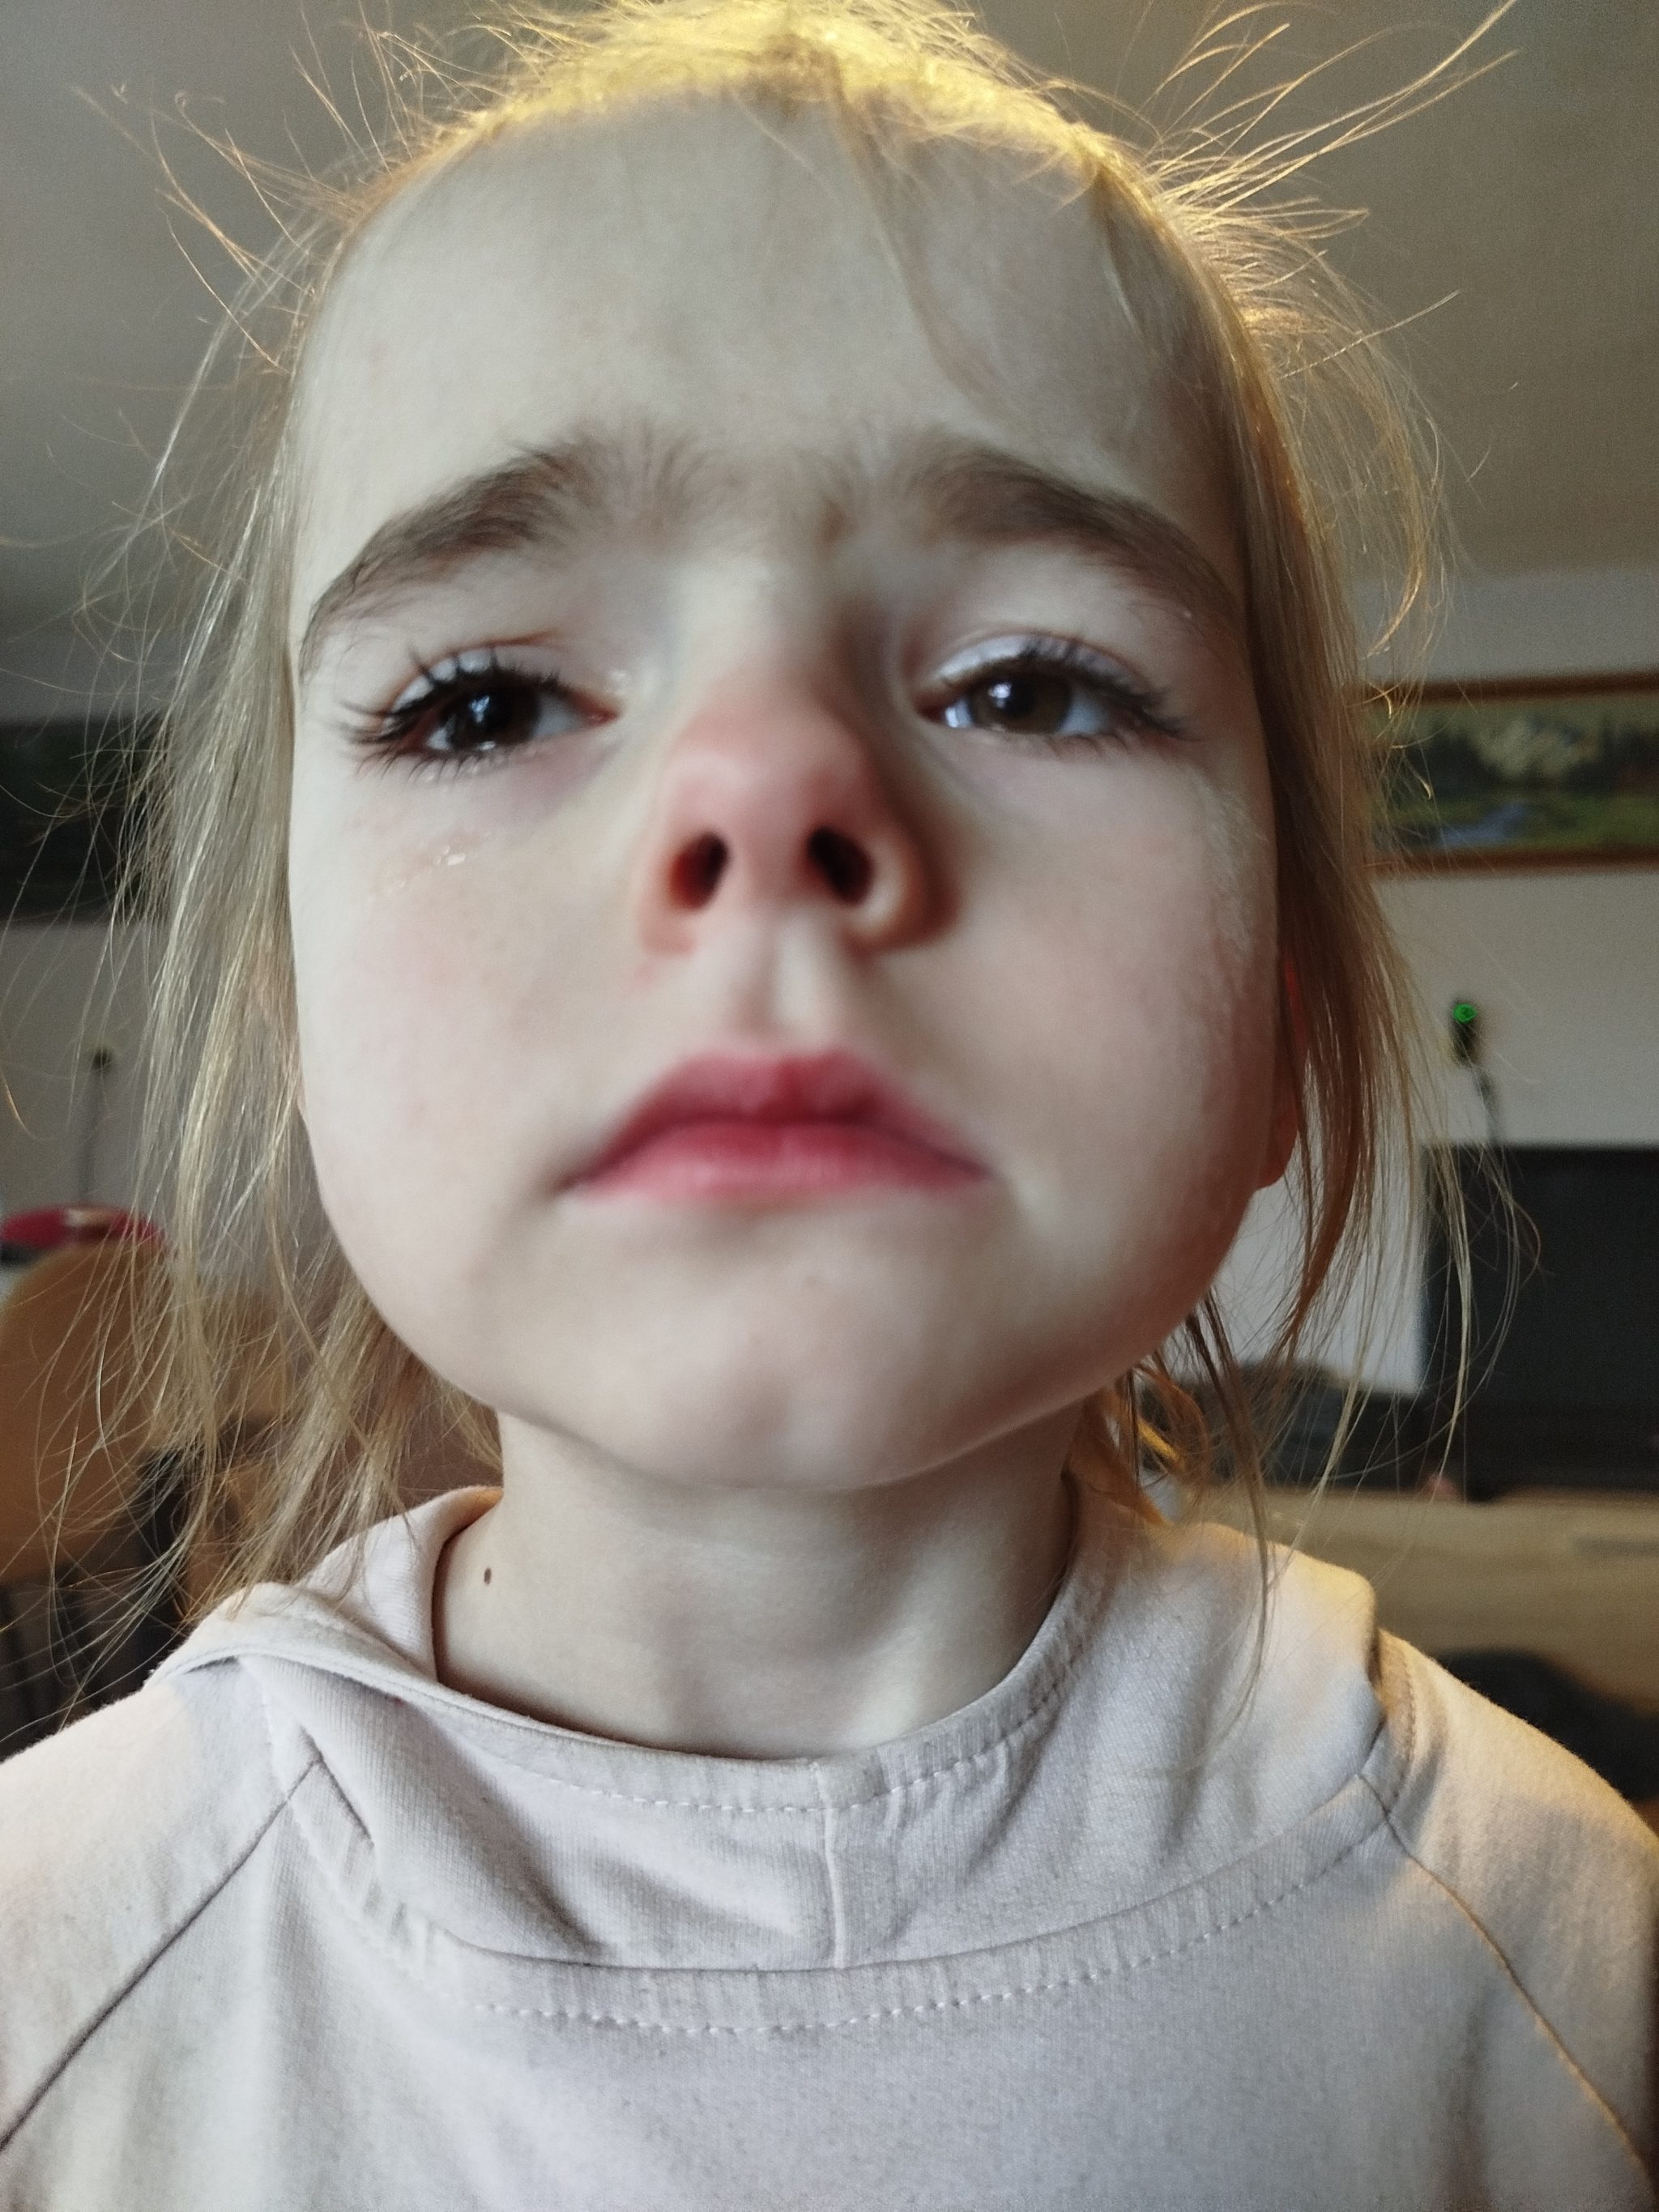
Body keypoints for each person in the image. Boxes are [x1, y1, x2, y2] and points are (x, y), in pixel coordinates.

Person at [1, 2, 1653, 2204]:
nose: (768, 791)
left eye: (1033, 682)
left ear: (1282, 1010)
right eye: (489, 702)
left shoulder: (1566, 1974)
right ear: (296, 1023)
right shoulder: (52, 1984)